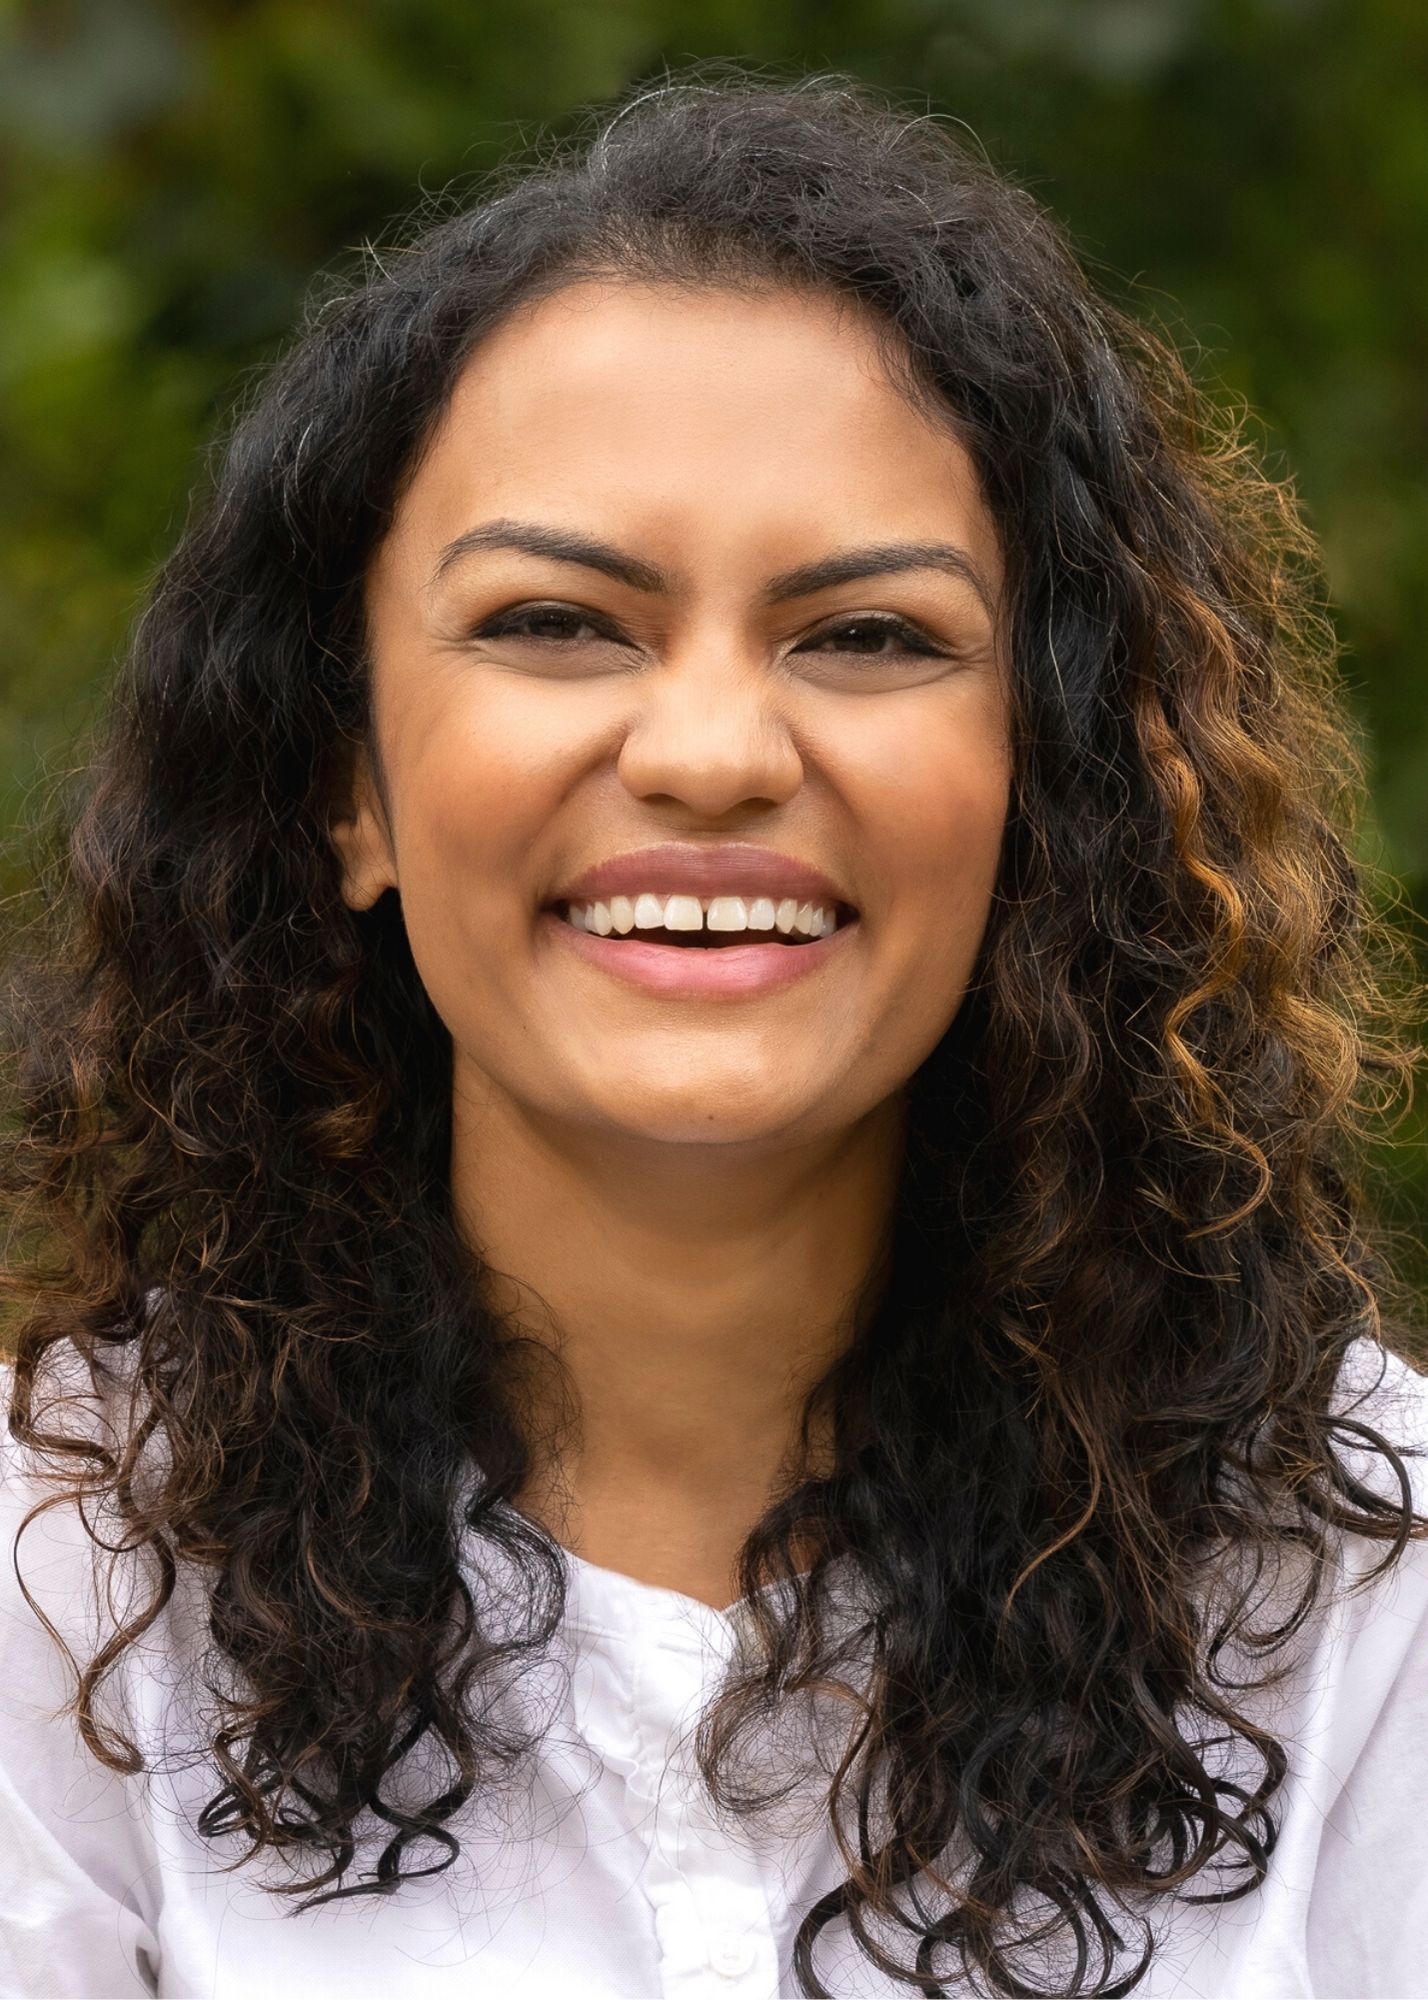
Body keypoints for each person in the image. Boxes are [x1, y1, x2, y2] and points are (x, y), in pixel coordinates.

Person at [0, 65, 1424, 2000]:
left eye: (869, 637)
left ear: (1049, 787)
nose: (710, 754)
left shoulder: (1360, 1598)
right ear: (348, 783)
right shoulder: (60, 1583)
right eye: (556, 622)